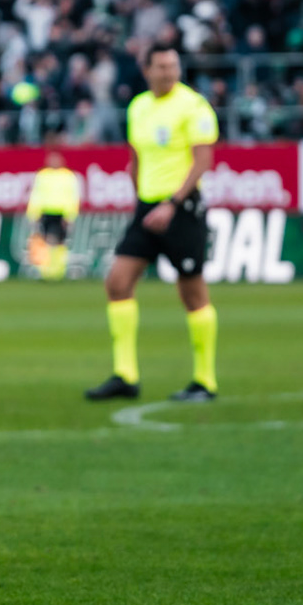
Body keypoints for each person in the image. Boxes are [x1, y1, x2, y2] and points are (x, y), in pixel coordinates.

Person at [85, 45, 220, 403]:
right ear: (146, 70)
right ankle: (125, 374)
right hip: (147, 208)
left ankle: (204, 381)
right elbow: (135, 157)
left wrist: (173, 203)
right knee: (117, 282)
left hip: (182, 207)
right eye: (161, 66)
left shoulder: (193, 106)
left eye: (173, 65)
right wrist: (141, 199)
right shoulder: (139, 106)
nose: (169, 71)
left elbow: (203, 159)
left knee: (192, 293)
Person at [26, 150, 81, 280]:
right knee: (47, 241)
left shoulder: (68, 176)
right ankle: (47, 271)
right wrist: (33, 213)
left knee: (59, 242)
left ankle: (58, 271)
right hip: (46, 212)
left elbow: (73, 196)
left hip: (61, 213)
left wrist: (70, 215)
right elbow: (36, 195)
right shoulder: (42, 175)